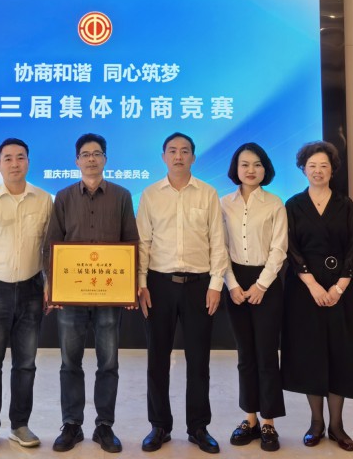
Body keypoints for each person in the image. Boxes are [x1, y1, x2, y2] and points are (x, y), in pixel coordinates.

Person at [45, 133, 139, 453]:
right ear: (77, 161)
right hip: (71, 295)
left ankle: (104, 426)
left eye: (97, 153)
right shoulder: (63, 197)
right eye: (85, 154)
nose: (91, 159)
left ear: (105, 159)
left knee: (108, 363)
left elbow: (131, 241)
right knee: (70, 362)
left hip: (110, 295)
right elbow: (52, 243)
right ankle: (72, 425)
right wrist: (53, 285)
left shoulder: (122, 196)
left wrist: (130, 286)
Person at [137, 132, 228, 454]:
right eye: (173, 151)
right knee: (157, 358)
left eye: (185, 151)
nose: (178, 156)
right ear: (163, 157)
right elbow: (143, 243)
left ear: (193, 157)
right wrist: (142, 284)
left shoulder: (208, 193)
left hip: (199, 286)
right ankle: (159, 426)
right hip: (159, 285)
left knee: (199, 360)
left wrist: (216, 285)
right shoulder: (150, 194)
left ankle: (198, 427)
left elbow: (218, 242)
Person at [0, 138, 53, 452]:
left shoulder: (45, 200)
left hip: (31, 290)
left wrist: (49, 285)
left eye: (20, 157)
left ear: (28, 161)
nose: (15, 163)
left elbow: (49, 249)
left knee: (26, 364)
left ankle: (19, 425)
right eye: (8, 158)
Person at [281, 141, 353, 453]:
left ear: (332, 170)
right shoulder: (293, 205)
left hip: (340, 289)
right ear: (303, 169)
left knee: (340, 353)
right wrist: (312, 285)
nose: (318, 171)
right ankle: (316, 422)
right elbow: (291, 248)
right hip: (304, 290)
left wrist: (339, 287)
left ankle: (337, 425)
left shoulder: (346, 204)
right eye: (312, 166)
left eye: (324, 166)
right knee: (310, 353)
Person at [221, 143, 287, 452]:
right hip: (235, 282)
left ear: (265, 169)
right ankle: (250, 419)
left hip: (267, 283)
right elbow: (219, 248)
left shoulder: (275, 204)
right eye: (244, 164)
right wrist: (232, 285)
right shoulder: (224, 204)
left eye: (257, 164)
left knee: (266, 354)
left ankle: (269, 422)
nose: (250, 170)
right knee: (245, 354)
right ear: (235, 168)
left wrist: (261, 286)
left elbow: (279, 249)